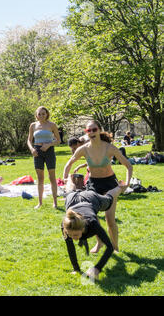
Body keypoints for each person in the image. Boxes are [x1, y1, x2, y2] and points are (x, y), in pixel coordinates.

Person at [63, 120, 133, 253]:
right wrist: (66, 177)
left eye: (94, 129)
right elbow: (69, 163)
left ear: (99, 130)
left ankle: (115, 246)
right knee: (93, 217)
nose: (91, 133)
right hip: (93, 184)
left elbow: (128, 165)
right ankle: (99, 243)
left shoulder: (109, 148)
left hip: (109, 184)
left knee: (110, 219)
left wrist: (127, 183)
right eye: (88, 131)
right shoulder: (83, 149)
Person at [62, 177, 128, 280]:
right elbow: (70, 247)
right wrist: (76, 269)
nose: (73, 238)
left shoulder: (92, 224)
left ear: (83, 228)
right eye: (71, 235)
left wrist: (97, 268)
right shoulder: (67, 225)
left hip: (91, 199)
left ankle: (120, 187)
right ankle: (70, 178)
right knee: (70, 191)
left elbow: (110, 247)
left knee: (109, 198)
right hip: (72, 199)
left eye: (75, 235)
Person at [27, 106, 61, 209]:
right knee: (40, 178)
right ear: (36, 115)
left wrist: (49, 145)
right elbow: (29, 140)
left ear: (47, 114)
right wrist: (32, 149)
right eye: (39, 114)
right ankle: (40, 203)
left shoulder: (52, 125)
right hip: (37, 152)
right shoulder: (33, 125)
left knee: (52, 177)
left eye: (43, 113)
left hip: (49, 151)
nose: (41, 116)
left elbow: (58, 140)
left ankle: (55, 202)